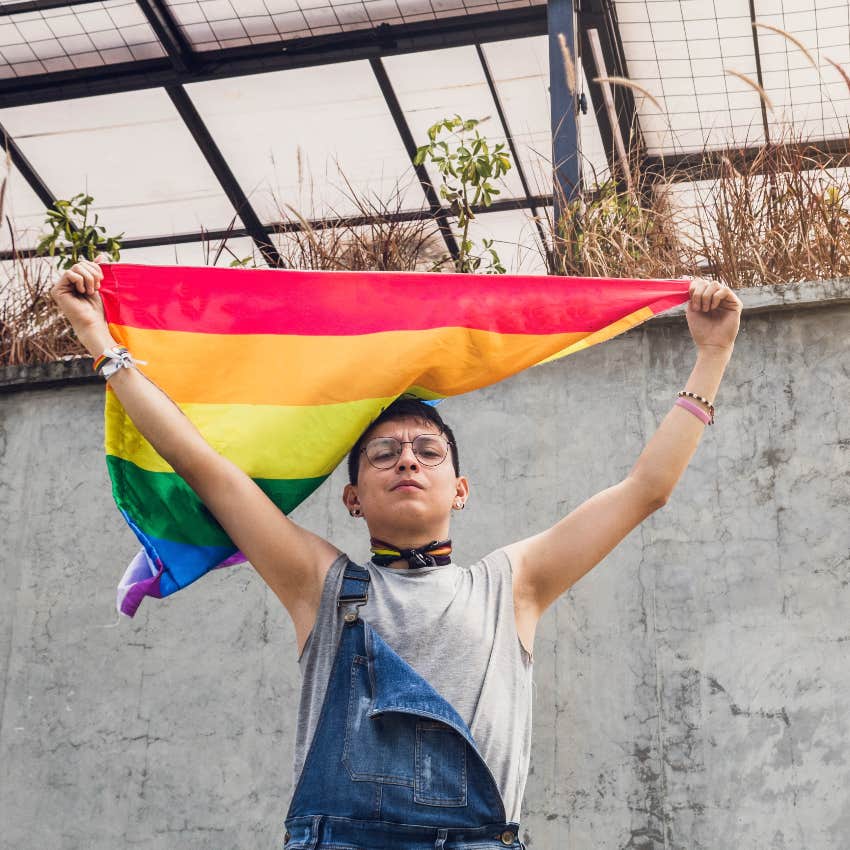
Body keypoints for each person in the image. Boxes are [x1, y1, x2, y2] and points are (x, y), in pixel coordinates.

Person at [51, 255, 742, 849]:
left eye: (427, 451)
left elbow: (646, 489)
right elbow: (205, 468)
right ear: (353, 498)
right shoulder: (315, 582)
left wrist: (711, 356)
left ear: (460, 488)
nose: (406, 460)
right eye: (383, 453)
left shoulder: (515, 583)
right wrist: (101, 343)